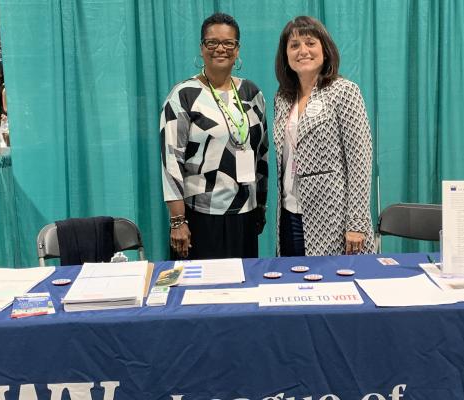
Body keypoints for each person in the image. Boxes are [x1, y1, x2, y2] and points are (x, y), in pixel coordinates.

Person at [160, 12, 268, 260]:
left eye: (228, 43)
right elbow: (171, 162)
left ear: (237, 49)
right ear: (202, 48)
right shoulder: (184, 96)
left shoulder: (252, 93)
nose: (221, 48)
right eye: (212, 42)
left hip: (246, 214)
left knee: (245, 288)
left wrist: (261, 204)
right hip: (200, 217)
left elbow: (261, 153)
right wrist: (177, 222)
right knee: (203, 292)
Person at [272, 16, 374, 256]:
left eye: (310, 43)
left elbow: (360, 161)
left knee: (331, 287)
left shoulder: (344, 91)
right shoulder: (283, 98)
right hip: (289, 214)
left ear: (325, 50)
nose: (302, 51)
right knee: (293, 286)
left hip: (334, 218)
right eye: (294, 45)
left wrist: (356, 223)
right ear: (285, 54)